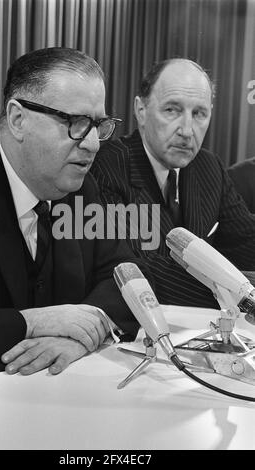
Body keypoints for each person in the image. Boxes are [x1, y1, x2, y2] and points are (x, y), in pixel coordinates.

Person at [0, 47, 151, 379]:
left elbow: (130, 275)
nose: (92, 144)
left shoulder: (84, 189)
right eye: (75, 123)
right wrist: (32, 323)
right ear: (18, 119)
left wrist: (85, 335)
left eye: (98, 125)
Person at [91, 58, 255, 308]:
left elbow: (245, 241)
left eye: (199, 113)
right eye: (172, 110)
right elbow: (143, 269)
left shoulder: (208, 166)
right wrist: (242, 293)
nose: (187, 130)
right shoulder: (109, 166)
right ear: (141, 111)